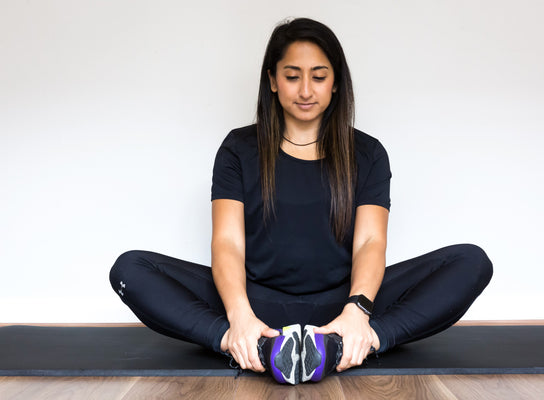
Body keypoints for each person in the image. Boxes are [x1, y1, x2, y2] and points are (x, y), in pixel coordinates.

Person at [109, 17, 493, 385]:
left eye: (319, 77)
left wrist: (357, 311)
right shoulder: (238, 148)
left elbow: (370, 242)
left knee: (470, 262)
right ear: (273, 81)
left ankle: (352, 342)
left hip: (341, 306)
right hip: (256, 303)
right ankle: (251, 345)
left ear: (336, 83)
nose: (306, 90)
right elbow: (227, 241)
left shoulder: (368, 153)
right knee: (131, 269)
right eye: (292, 76)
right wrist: (239, 316)